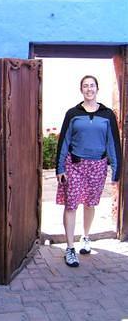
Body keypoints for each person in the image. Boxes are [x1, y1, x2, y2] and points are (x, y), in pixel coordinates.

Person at [55, 75, 121, 267]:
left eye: (92, 86)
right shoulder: (72, 113)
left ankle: (85, 237)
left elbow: (112, 143)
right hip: (74, 165)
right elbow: (64, 141)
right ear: (81, 90)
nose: (89, 89)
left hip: (97, 166)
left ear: (97, 89)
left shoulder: (107, 114)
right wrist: (60, 168)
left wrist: (116, 171)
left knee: (90, 203)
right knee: (71, 204)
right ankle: (69, 248)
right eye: (85, 86)